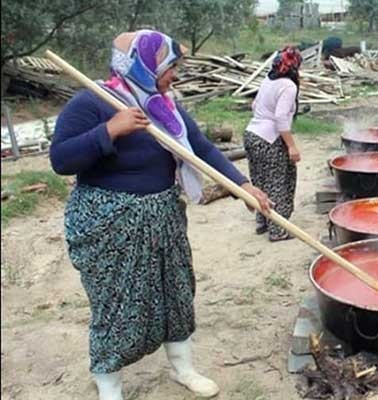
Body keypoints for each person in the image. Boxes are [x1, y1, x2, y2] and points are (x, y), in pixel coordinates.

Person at [50, 30, 271, 400]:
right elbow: (61, 159)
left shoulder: (163, 105)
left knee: (176, 293)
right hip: (111, 224)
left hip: (164, 217)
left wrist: (243, 186)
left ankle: (183, 368)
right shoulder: (92, 102)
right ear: (142, 65)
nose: (176, 75)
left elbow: (200, 147)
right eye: (170, 66)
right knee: (116, 302)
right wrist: (109, 130)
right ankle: (110, 386)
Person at [244, 47, 302, 242]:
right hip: (269, 139)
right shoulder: (288, 86)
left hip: (251, 135)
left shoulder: (269, 80)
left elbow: (254, 106)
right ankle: (278, 230)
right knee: (279, 182)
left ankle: (262, 222)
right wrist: (291, 146)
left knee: (260, 180)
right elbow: (280, 118)